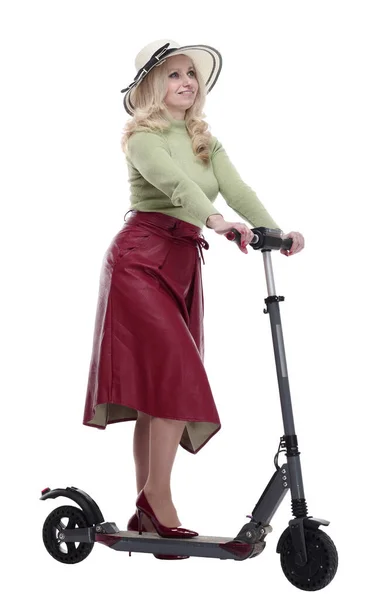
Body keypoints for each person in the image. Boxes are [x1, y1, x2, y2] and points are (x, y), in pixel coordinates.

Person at [82, 39, 305, 560]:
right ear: (150, 87)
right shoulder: (141, 137)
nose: (186, 82)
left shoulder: (205, 137)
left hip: (181, 264)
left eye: (190, 75)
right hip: (139, 261)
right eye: (173, 75)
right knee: (178, 375)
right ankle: (158, 501)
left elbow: (236, 187)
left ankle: (146, 507)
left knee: (160, 387)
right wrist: (214, 219)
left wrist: (273, 229)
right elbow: (175, 185)